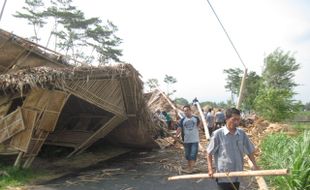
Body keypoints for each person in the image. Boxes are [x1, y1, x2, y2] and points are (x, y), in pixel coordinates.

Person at [207, 108, 259, 190]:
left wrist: (255, 165)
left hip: (237, 173)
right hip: (224, 174)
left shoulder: (241, 134)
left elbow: (249, 151)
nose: (236, 122)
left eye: (238, 120)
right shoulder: (218, 134)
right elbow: (209, 152)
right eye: (234, 119)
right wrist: (210, 169)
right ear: (227, 119)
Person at [176, 105, 202, 173]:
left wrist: (200, 127)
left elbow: (200, 124)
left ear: (190, 110)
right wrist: (176, 135)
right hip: (186, 140)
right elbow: (179, 128)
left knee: (193, 154)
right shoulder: (183, 120)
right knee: (187, 155)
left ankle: (191, 169)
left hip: (195, 140)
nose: (186, 112)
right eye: (185, 111)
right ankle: (190, 167)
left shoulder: (196, 118)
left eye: (187, 110)